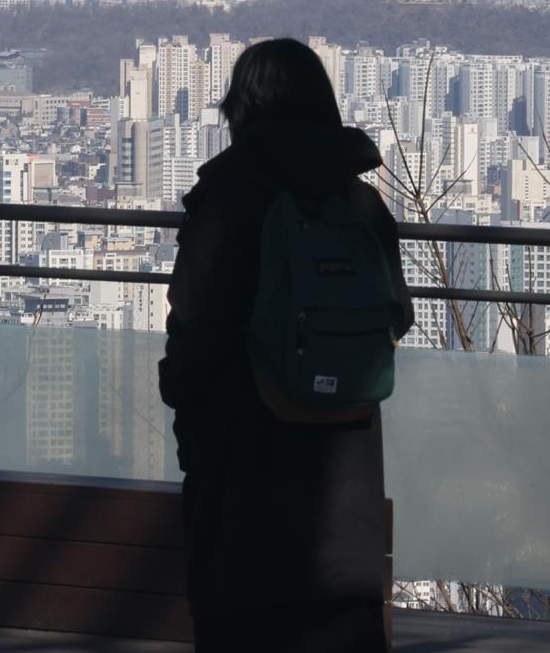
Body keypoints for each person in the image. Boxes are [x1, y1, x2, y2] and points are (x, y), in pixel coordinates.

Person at [158, 38, 414, 653]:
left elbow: (194, 336)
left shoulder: (227, 199)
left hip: (243, 481)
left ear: (240, 109)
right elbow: (395, 319)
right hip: (343, 491)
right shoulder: (359, 200)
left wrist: (187, 416)